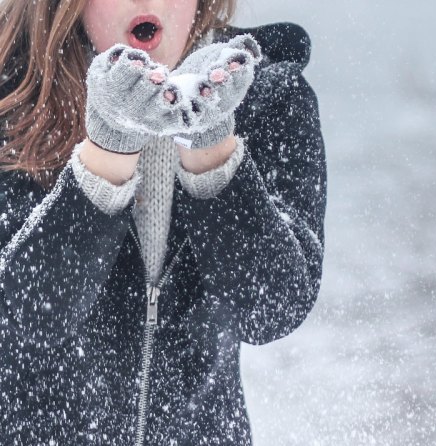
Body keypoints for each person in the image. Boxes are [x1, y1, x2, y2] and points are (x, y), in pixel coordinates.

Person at [0, 0, 326, 444]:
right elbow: (21, 319)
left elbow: (272, 309)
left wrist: (212, 151)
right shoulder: (12, 100)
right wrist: (108, 152)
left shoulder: (267, 96)